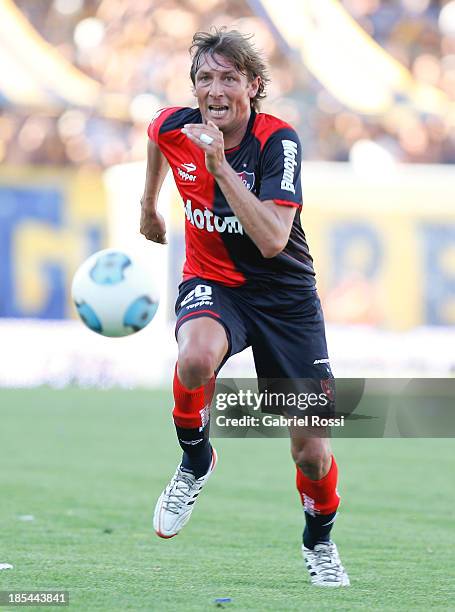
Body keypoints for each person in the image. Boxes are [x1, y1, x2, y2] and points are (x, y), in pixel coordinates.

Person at [140, 27, 349, 588]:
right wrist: (149, 209)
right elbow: (156, 136)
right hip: (215, 283)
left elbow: (273, 240)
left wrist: (220, 171)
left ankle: (319, 539)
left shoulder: (279, 142)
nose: (215, 89)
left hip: (286, 303)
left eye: (229, 78)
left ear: (253, 87)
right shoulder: (175, 126)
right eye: (204, 78)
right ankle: (195, 459)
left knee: (310, 451)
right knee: (194, 359)